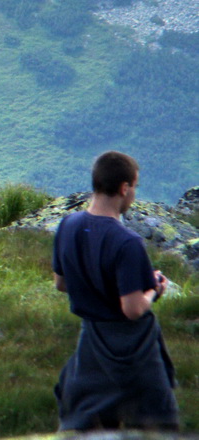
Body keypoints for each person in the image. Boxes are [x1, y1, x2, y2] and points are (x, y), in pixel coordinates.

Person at [52, 150, 179, 431]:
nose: (133, 194)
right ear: (124, 187)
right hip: (133, 352)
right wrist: (154, 290)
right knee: (156, 427)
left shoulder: (67, 225)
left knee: (89, 426)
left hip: (90, 346)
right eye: (134, 187)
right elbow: (132, 310)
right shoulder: (127, 242)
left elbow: (61, 283)